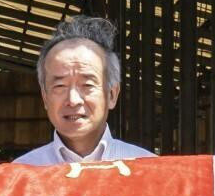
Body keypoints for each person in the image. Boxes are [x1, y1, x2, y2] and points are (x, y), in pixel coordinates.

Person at [16, 16, 153, 167]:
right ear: (45, 98)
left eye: (87, 85)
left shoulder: (148, 168)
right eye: (60, 86)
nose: (73, 100)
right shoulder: (22, 172)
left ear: (112, 95)